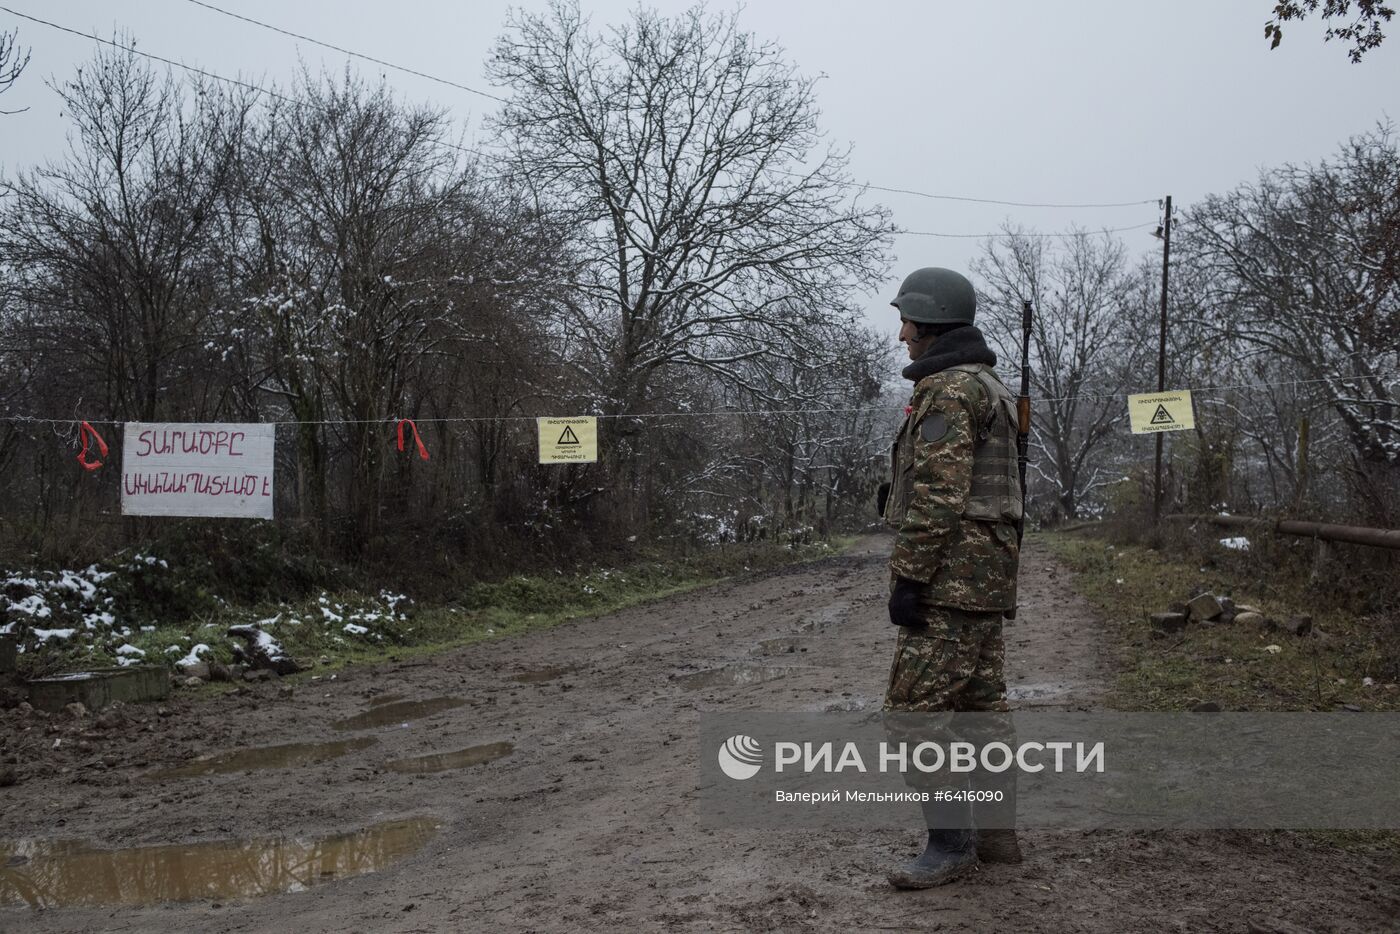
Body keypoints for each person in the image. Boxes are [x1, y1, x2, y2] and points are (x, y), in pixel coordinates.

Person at [878, 267, 1023, 889]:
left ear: (931, 322)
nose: (902, 333)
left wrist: (908, 577)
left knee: (916, 714)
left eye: (907, 319)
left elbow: (940, 491)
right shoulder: (988, 385)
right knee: (980, 708)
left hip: (952, 576)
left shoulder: (948, 391)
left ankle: (950, 844)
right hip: (987, 571)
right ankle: (995, 835)